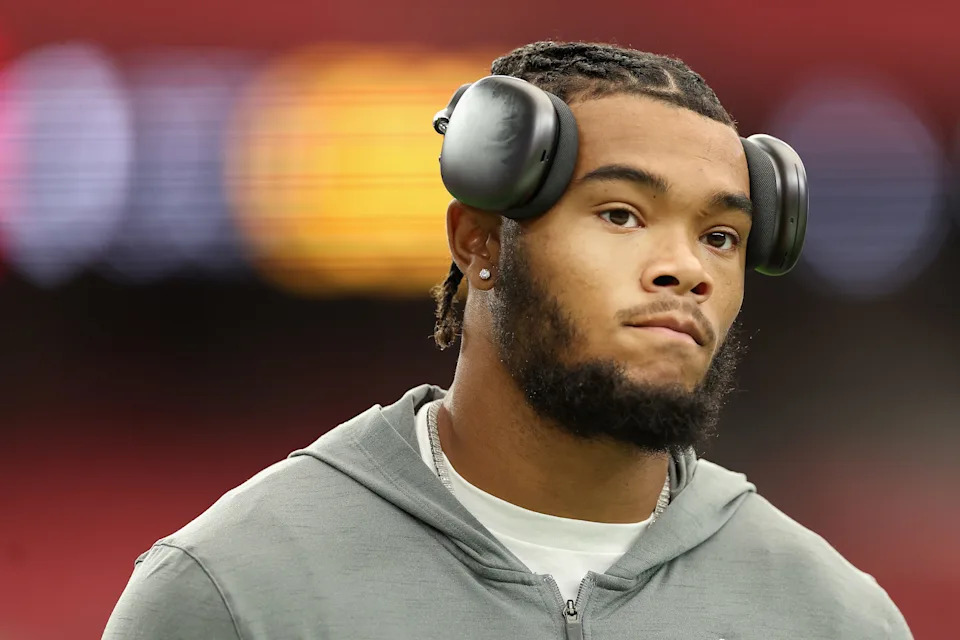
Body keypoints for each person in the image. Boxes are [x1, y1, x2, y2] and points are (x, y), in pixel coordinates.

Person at [103, 41, 912, 639]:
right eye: (622, 215)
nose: (685, 269)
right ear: (481, 241)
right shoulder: (233, 594)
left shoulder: (835, 618)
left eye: (722, 236)